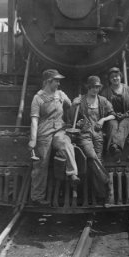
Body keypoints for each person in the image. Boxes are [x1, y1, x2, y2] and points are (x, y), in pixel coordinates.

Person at [28, 69, 80, 206]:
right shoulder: (37, 98)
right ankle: (37, 197)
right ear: (48, 81)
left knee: (65, 143)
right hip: (43, 132)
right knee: (41, 164)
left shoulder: (61, 95)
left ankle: (72, 173)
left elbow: (71, 105)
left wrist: (76, 102)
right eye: (56, 80)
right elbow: (34, 120)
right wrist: (33, 140)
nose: (58, 83)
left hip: (59, 130)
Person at [72, 75, 115, 200]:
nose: (95, 90)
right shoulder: (81, 99)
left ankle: (101, 195)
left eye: (97, 87)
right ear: (88, 87)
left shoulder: (102, 101)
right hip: (84, 134)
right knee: (91, 156)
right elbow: (71, 118)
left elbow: (113, 115)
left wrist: (103, 119)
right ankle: (107, 180)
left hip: (98, 134)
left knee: (98, 161)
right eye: (93, 87)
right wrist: (73, 105)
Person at [101, 67, 129, 159]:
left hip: (128, 117)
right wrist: (113, 114)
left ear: (120, 77)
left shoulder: (128, 90)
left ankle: (114, 146)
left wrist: (125, 115)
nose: (115, 78)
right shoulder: (105, 92)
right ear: (109, 79)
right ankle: (116, 148)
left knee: (123, 125)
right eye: (112, 77)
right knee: (112, 126)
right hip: (112, 117)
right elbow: (103, 107)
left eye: (117, 76)